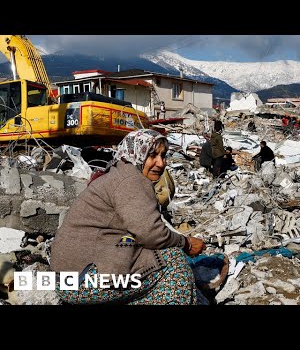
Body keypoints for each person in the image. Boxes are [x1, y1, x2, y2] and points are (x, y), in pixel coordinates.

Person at [50, 129, 206, 305]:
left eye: (163, 156)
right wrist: (187, 243)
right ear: (137, 154)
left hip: (70, 277)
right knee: (173, 261)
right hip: (82, 281)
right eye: (152, 155)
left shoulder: (120, 173)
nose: (160, 163)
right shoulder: (130, 180)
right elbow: (152, 234)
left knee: (151, 261)